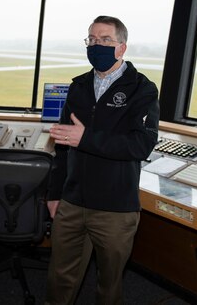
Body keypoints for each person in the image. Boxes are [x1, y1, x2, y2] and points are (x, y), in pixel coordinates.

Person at [45, 15, 159, 305]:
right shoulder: (79, 86)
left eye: (105, 40)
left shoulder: (141, 89)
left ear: (121, 48)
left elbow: (140, 145)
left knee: (109, 285)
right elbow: (61, 143)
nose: (97, 45)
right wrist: (54, 193)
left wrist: (87, 138)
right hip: (72, 202)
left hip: (115, 209)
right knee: (60, 280)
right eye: (92, 39)